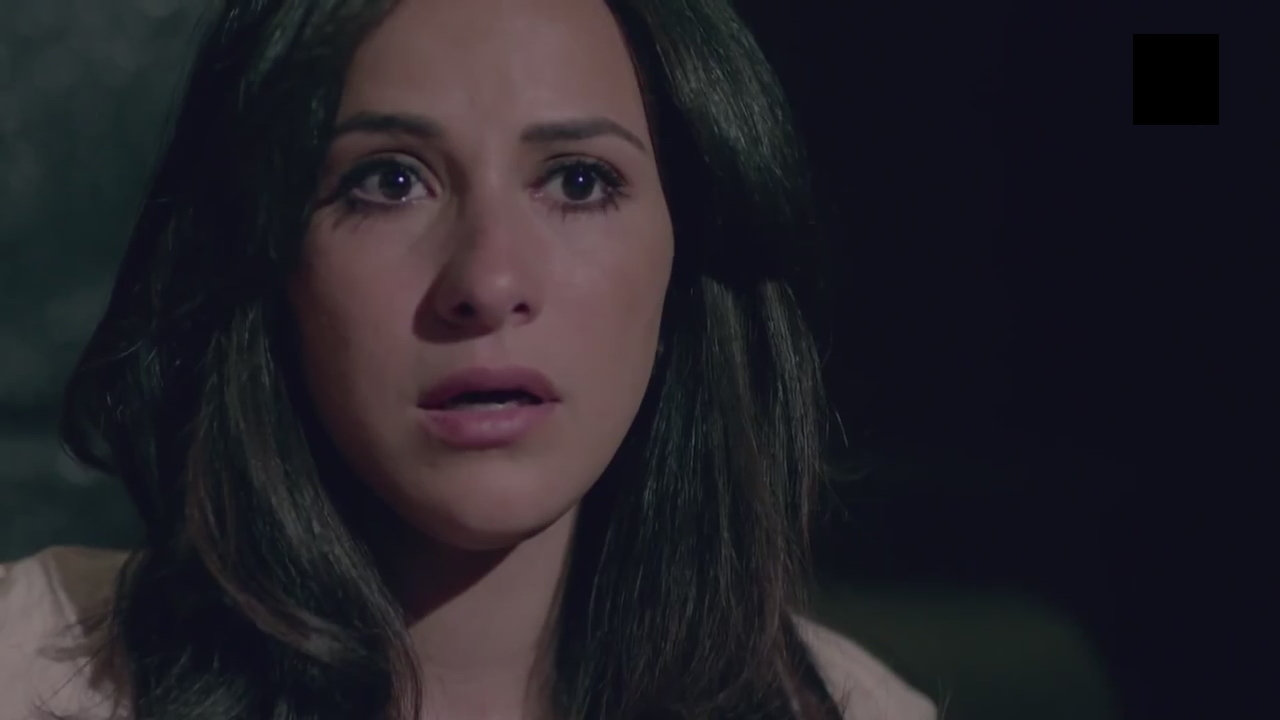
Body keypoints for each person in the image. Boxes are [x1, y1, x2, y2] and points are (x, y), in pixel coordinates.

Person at [0, 0, 938, 718]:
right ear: (267, 256)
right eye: (389, 181)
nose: (488, 282)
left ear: (688, 258)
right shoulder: (27, 668)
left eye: (579, 181)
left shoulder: (850, 710)